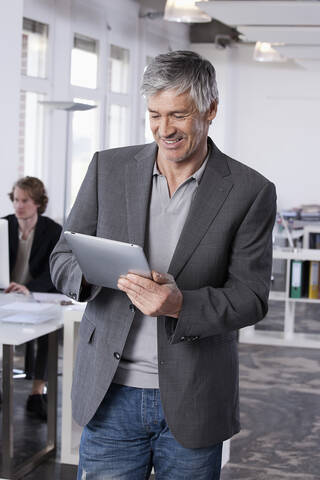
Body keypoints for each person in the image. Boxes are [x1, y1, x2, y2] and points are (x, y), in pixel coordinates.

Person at [50, 50, 277, 479]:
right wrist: (101, 273)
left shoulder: (250, 191)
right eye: (154, 114)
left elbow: (251, 298)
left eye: (178, 115)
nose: (164, 129)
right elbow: (63, 257)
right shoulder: (108, 168)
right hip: (110, 395)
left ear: (210, 110)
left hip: (194, 400)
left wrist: (177, 305)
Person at [3, 176, 61, 420]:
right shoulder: (4, 225)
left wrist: (28, 288)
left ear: (38, 202)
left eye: (24, 200)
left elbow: (55, 270)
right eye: (16, 200)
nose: (18, 205)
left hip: (38, 294)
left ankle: (37, 393)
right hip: (6, 295)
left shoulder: (52, 230)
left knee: (48, 333)